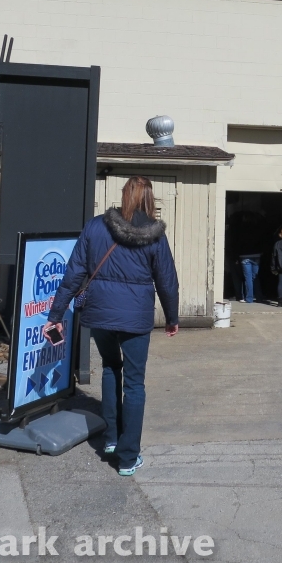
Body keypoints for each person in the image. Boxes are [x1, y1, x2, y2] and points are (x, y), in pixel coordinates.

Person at [46, 176, 179, 478]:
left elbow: (74, 272)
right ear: (150, 198)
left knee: (109, 367)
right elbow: (167, 280)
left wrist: (55, 314)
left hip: (100, 312)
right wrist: (172, 318)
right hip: (135, 317)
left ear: (123, 195)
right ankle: (128, 458)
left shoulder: (96, 226)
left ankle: (111, 440)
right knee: (134, 383)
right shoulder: (155, 234)